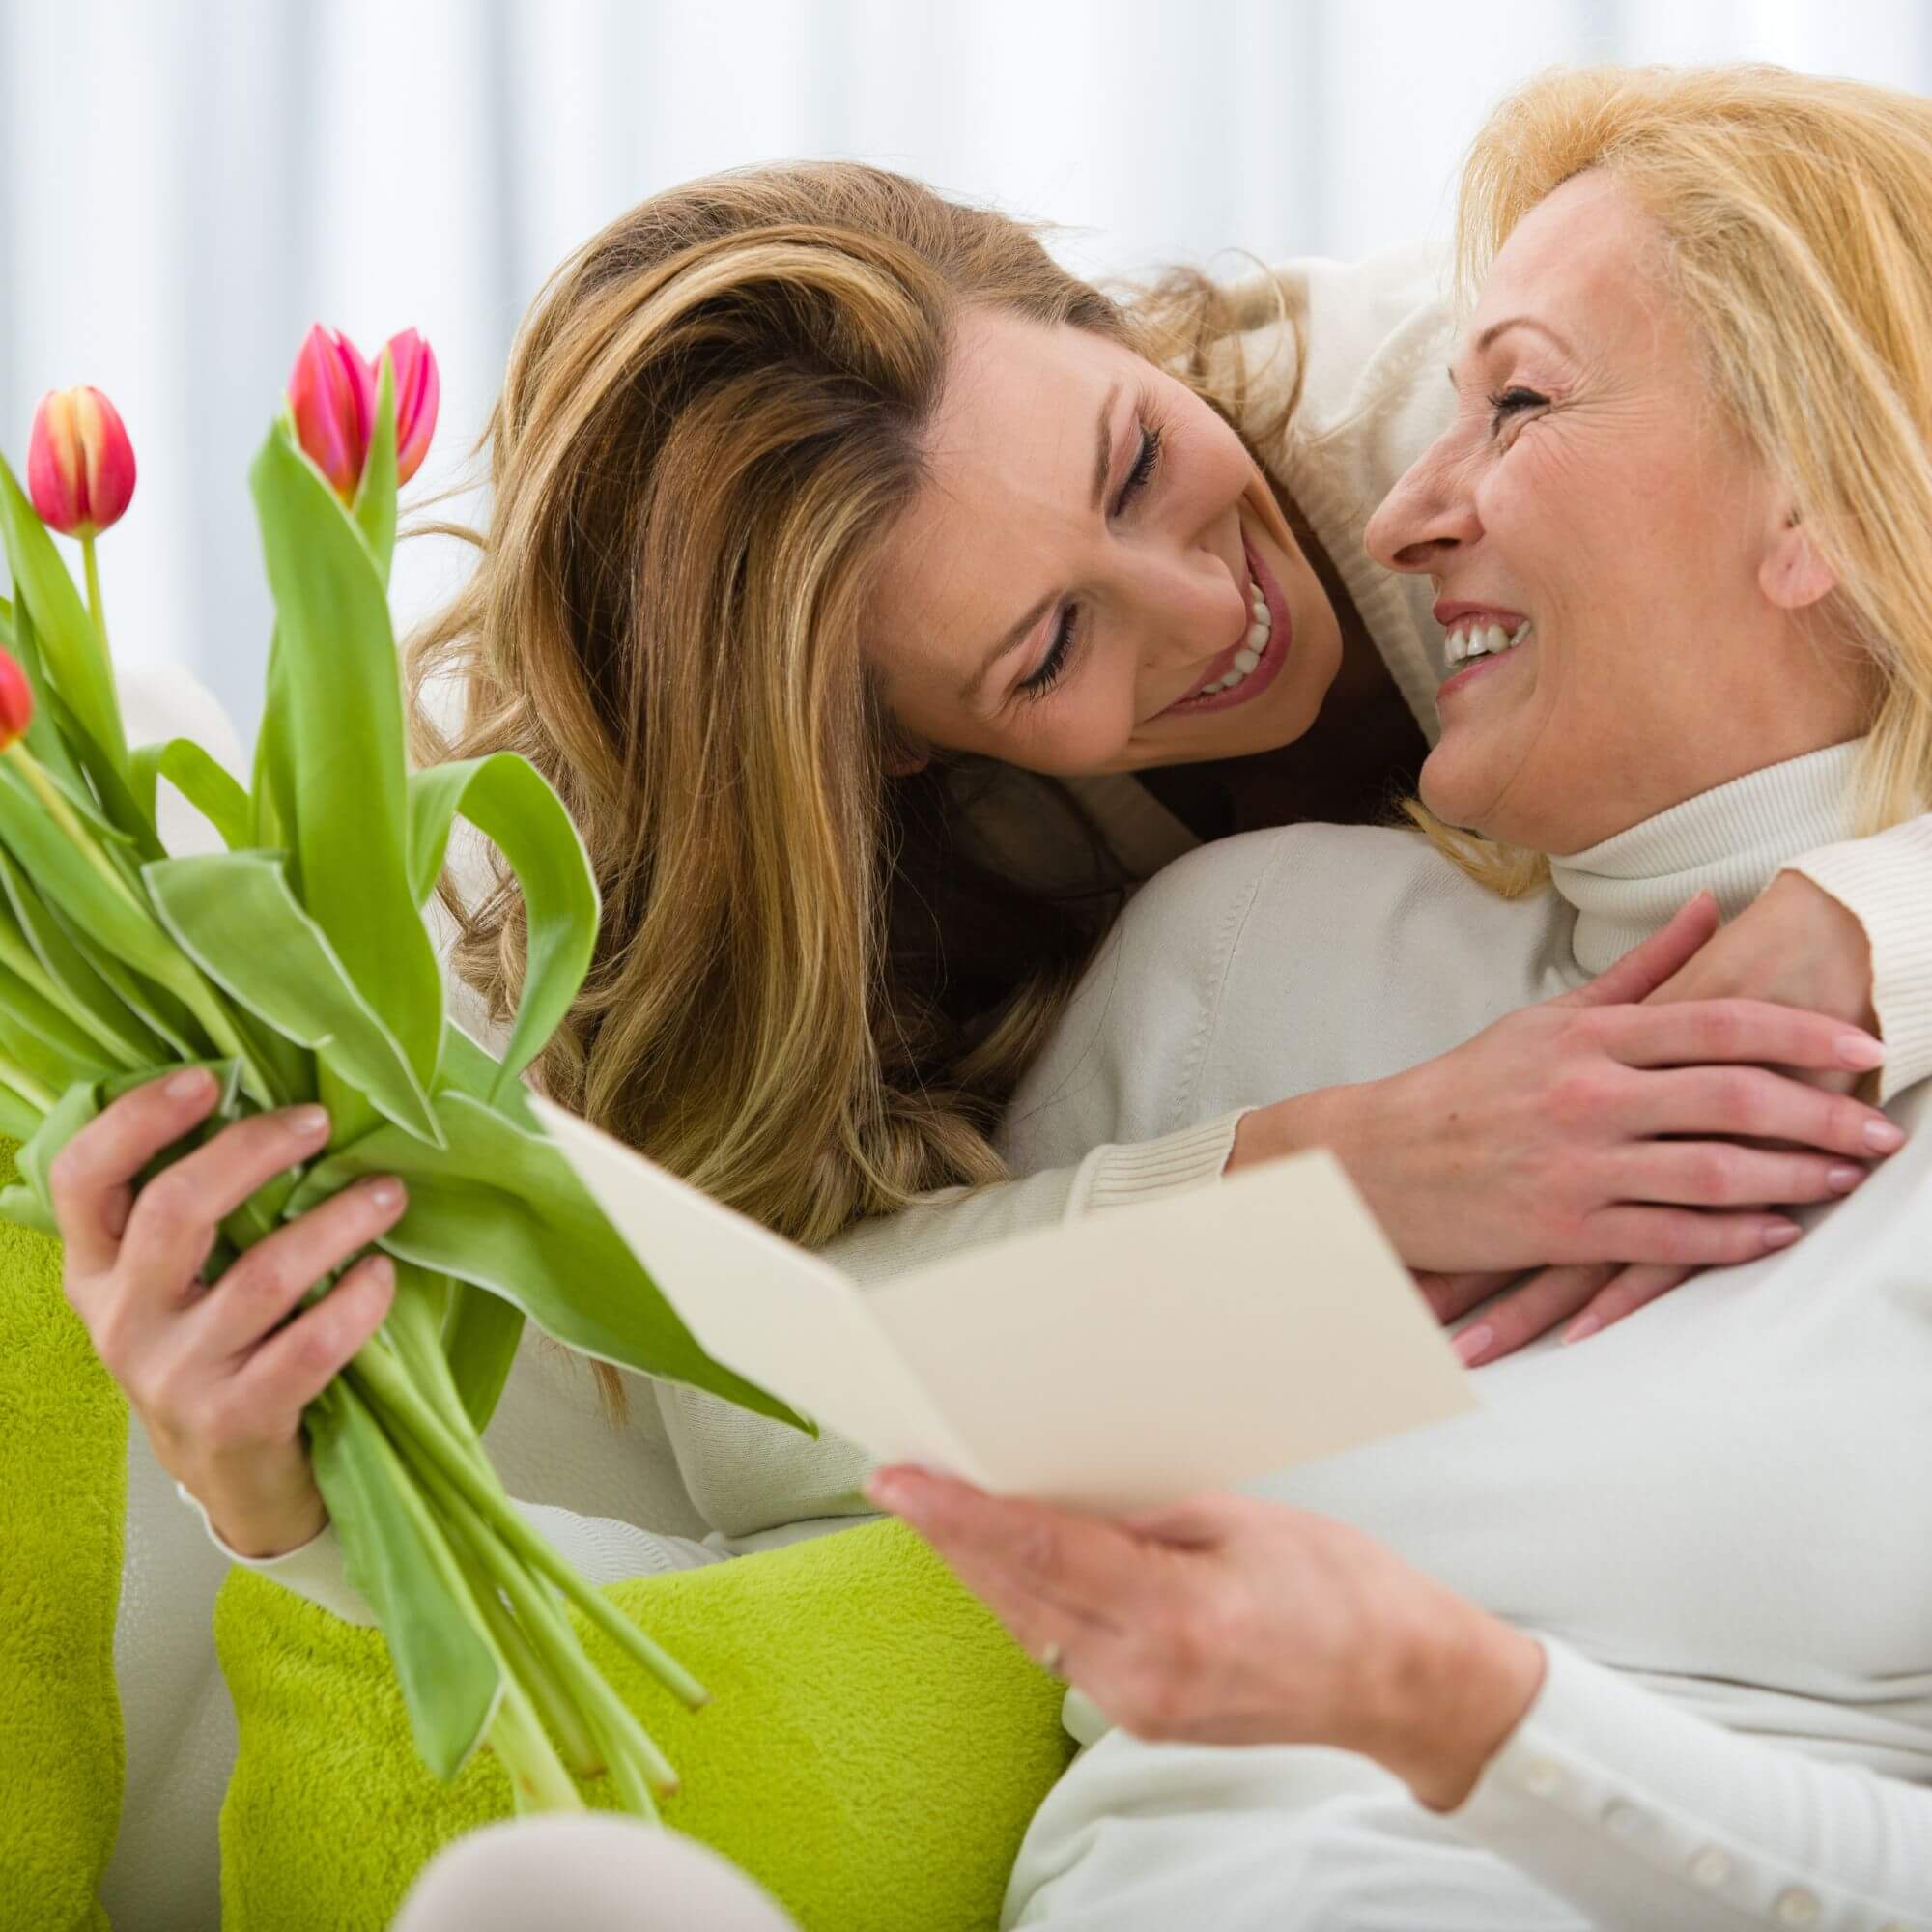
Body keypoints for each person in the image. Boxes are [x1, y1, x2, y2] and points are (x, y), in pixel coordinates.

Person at [34, 61, 1930, 1931]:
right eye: (1042, 649)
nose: (1235, 603)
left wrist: (1863, 920)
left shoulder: (1483, 349)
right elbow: (793, 1446)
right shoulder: (1238, 945)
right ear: (919, 753)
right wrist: (1320, 1195)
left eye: (1129, 457)